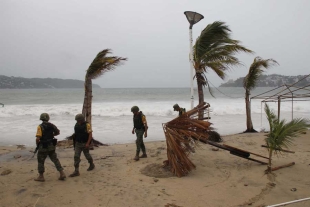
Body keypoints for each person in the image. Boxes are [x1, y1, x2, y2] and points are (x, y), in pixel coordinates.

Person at [34, 113, 66, 182]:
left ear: (41, 118)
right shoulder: (52, 125)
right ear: (48, 118)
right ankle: (62, 173)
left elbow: (38, 138)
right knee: (55, 159)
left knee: (41, 161)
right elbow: (58, 132)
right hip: (51, 145)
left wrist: (37, 145)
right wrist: (52, 135)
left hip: (43, 146)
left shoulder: (40, 126)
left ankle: (41, 176)